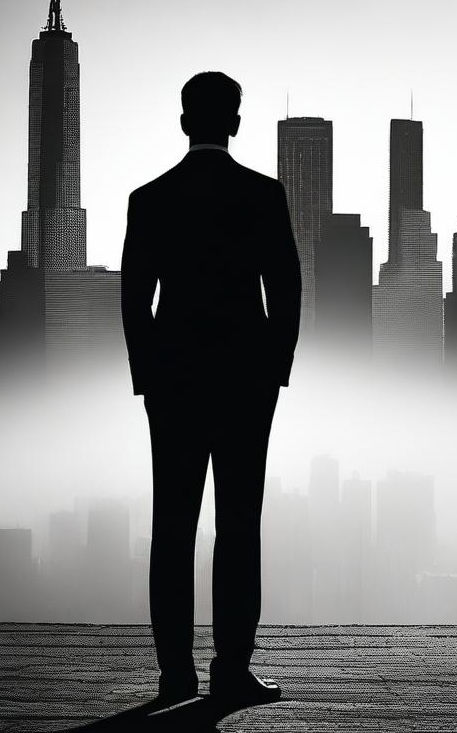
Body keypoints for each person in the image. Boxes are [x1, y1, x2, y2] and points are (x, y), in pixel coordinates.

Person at [121, 71, 301, 708]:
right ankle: (231, 669)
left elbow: (134, 302)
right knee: (238, 523)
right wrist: (273, 374)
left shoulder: (150, 199)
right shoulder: (263, 194)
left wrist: (149, 380)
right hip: (246, 384)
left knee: (172, 523)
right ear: (236, 121)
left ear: (182, 121)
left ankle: (174, 674)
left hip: (173, 384)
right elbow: (285, 291)